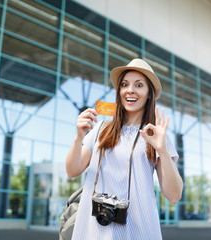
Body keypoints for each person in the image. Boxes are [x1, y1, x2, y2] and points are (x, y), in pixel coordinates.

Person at [65, 58, 183, 239]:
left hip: (138, 230)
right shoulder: (102, 129)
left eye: (139, 85)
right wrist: (78, 137)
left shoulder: (156, 135)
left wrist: (163, 151)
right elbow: (72, 170)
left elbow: (174, 196)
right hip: (95, 229)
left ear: (149, 93)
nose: (130, 90)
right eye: (125, 84)